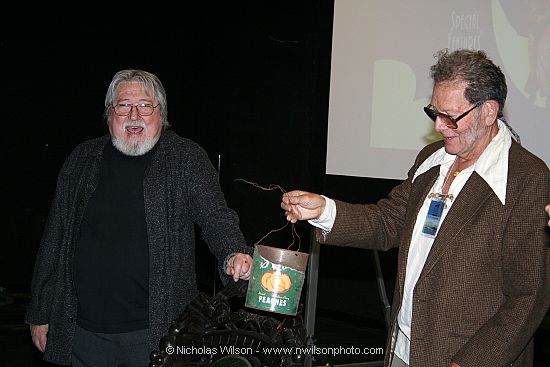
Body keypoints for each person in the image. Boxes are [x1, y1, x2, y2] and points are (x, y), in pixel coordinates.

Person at [281, 49, 550, 367]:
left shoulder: (526, 178)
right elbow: (388, 222)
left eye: (450, 116)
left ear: (489, 112)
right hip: (403, 349)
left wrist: (469, 363)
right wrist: (324, 210)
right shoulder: (431, 160)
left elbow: (528, 297)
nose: (439, 126)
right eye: (433, 112)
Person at [25, 69, 253, 366]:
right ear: (110, 114)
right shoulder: (81, 159)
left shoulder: (185, 158)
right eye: (123, 105)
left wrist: (234, 253)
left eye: (146, 106)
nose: (134, 115)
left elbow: (216, 218)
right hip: (82, 332)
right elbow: (55, 237)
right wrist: (41, 312)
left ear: (161, 114)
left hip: (158, 334)